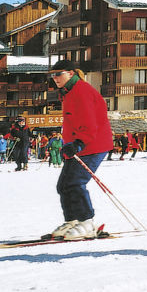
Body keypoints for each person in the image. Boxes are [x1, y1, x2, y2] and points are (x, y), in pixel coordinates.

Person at [48, 60, 113, 240]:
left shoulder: (81, 91)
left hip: (93, 145)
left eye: (58, 74)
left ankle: (87, 222)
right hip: (79, 146)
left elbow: (89, 122)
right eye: (52, 75)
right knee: (63, 185)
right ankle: (73, 220)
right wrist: (69, 144)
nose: (55, 78)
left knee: (75, 182)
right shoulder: (68, 92)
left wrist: (78, 142)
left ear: (70, 73)